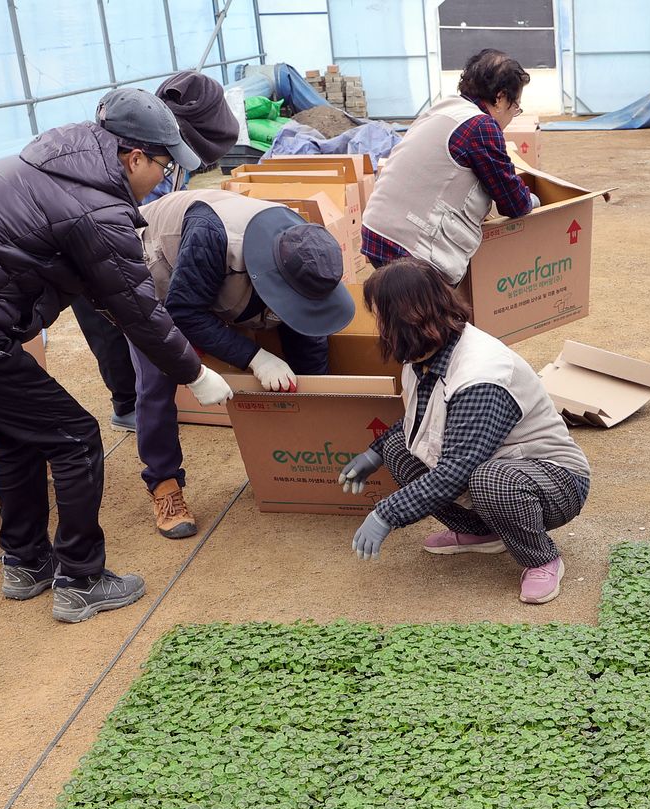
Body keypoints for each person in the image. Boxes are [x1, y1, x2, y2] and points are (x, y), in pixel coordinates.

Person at [0, 89, 232, 623]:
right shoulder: (96, 206)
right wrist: (194, 373)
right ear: (134, 157)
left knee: (19, 431)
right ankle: (81, 579)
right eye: (165, 165)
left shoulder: (58, 163)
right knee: (75, 435)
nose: (167, 178)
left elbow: (88, 288)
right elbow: (138, 308)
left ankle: (25, 562)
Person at [338, 259, 588, 605]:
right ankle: (483, 533)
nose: (378, 325)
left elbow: (456, 472)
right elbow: (423, 420)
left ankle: (542, 558)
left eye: (380, 315)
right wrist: (375, 452)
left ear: (404, 319)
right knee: (399, 447)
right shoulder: (426, 353)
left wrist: (386, 513)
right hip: (495, 465)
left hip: (555, 479)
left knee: (489, 479)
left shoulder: (481, 374)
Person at [133, 188, 355, 537]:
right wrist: (256, 357)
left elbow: (308, 330)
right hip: (157, 265)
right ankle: (164, 484)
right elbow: (184, 312)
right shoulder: (212, 237)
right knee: (158, 373)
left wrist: (316, 413)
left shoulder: (306, 250)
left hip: (217, 273)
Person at [72, 71, 243, 431]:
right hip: (104, 244)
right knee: (114, 318)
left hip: (139, 239)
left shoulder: (160, 152)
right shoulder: (134, 156)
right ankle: (128, 403)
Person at [360, 49, 539, 282]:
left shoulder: (443, 109)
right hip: (409, 248)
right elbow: (513, 202)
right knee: (437, 317)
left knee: (407, 315)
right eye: (515, 106)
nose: (513, 114)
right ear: (500, 98)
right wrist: (534, 199)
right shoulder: (481, 126)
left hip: (377, 230)